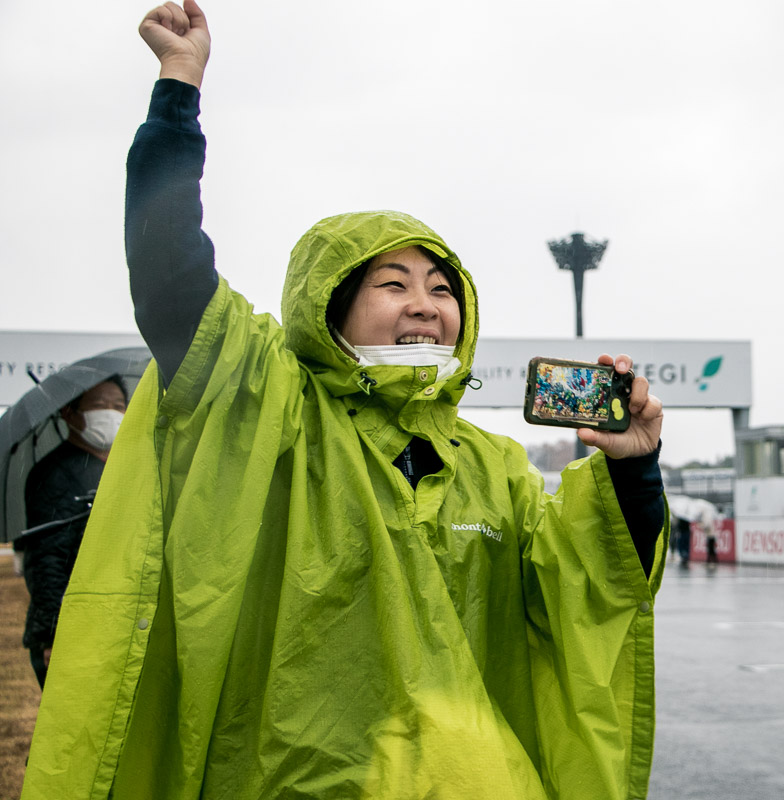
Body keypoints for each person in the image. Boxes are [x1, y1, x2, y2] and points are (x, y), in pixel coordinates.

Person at [22, 3, 666, 798]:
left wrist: (636, 472)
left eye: (441, 288)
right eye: (391, 285)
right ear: (330, 310)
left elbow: (593, 585)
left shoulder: (495, 469)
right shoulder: (273, 410)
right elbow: (169, 280)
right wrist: (177, 91)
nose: (425, 305)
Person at [19, 378, 127, 689]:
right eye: (98, 405)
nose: (110, 412)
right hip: (72, 628)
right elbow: (47, 561)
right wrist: (55, 634)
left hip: (108, 623)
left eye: (118, 406)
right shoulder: (54, 475)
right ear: (69, 413)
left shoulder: (122, 464)